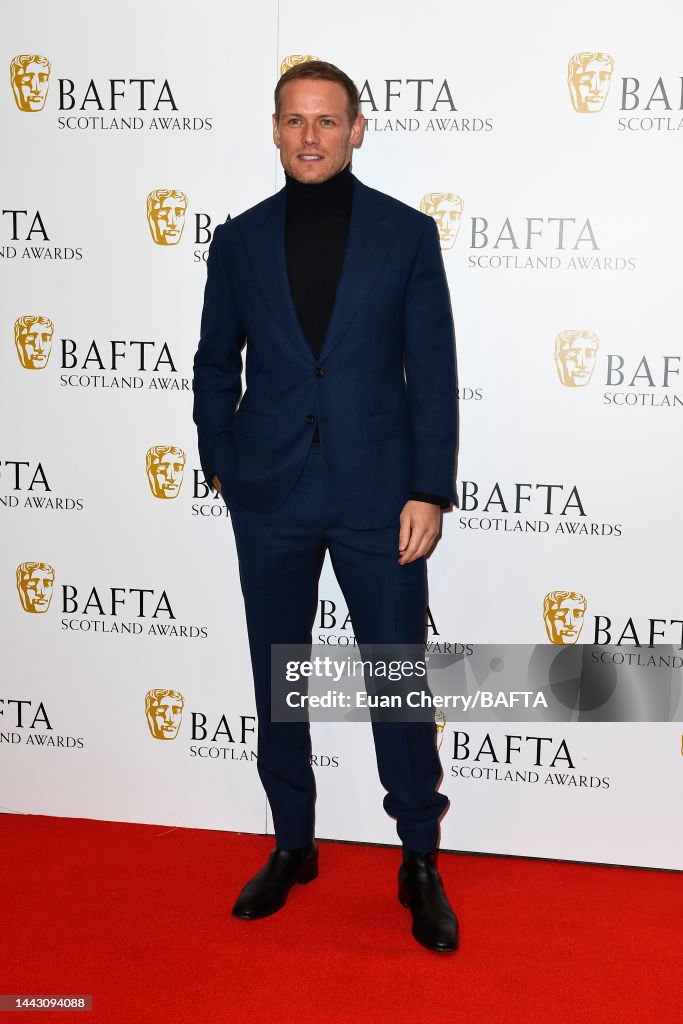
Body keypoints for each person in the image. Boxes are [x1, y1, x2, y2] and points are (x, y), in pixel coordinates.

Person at [192, 60, 459, 952]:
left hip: (379, 495)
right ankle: (292, 845)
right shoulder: (237, 241)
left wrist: (428, 487)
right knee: (279, 676)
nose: (310, 136)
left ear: (355, 129)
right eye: (295, 120)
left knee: (395, 675)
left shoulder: (405, 235)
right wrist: (222, 457)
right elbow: (212, 362)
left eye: (327, 120)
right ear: (275, 129)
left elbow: (432, 373)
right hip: (269, 491)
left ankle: (417, 858)